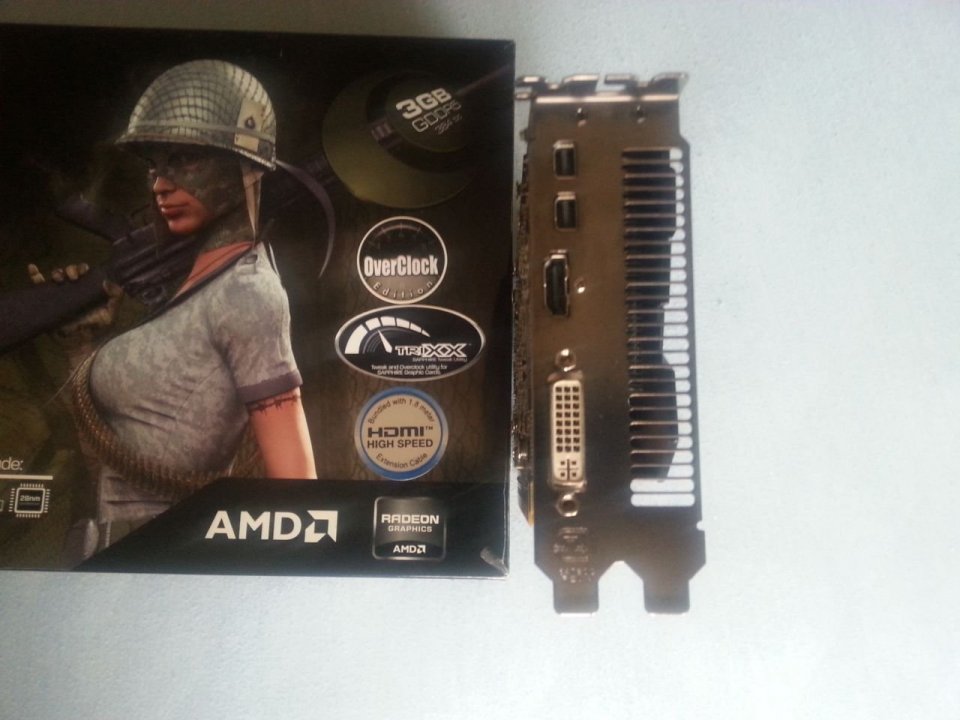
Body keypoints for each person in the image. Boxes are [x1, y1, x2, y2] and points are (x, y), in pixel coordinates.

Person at [31, 60, 316, 553]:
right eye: (156, 165)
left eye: (185, 160)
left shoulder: (248, 295)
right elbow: (118, 459)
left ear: (246, 167)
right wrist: (82, 345)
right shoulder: (192, 285)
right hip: (108, 557)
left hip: (171, 558)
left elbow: (299, 504)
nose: (160, 184)